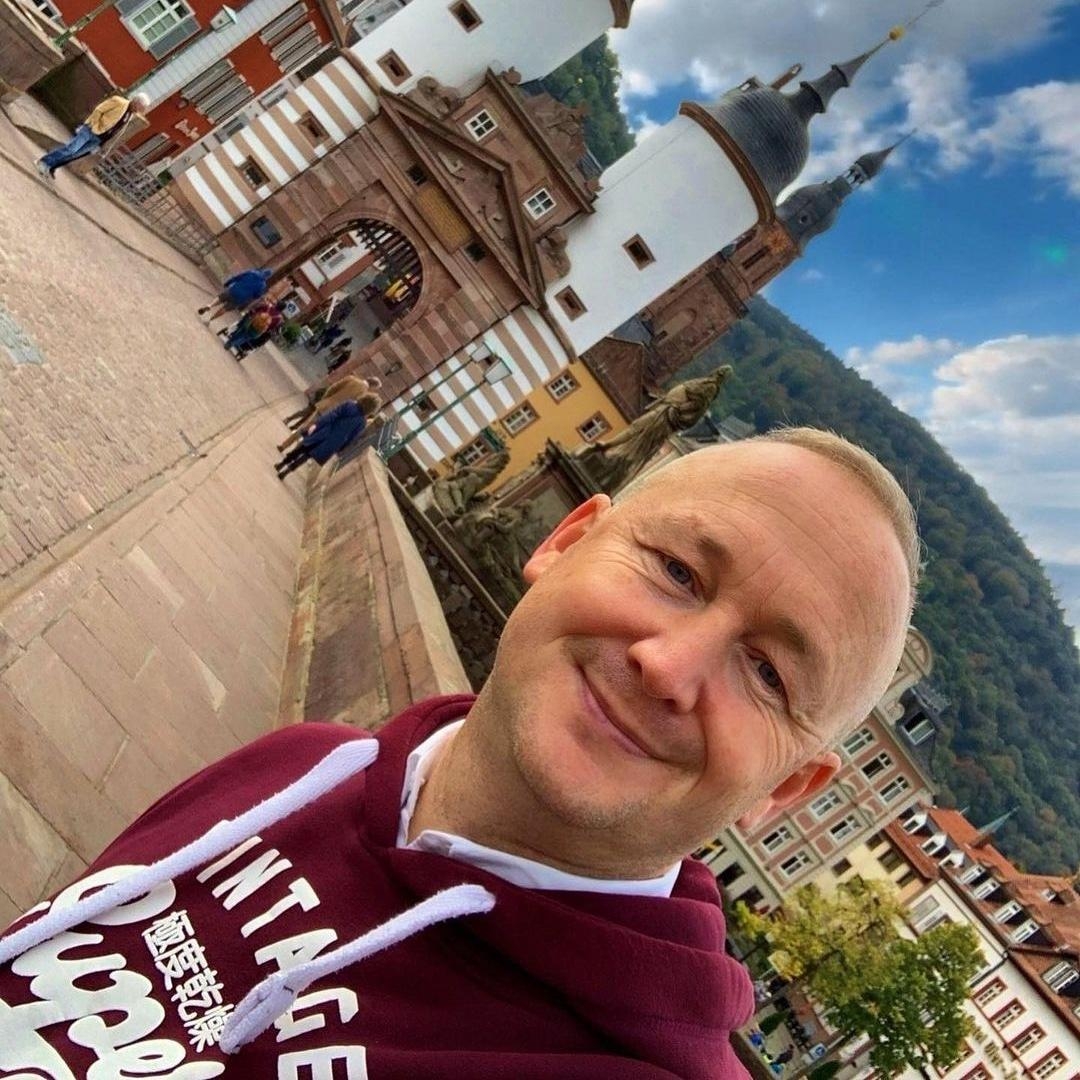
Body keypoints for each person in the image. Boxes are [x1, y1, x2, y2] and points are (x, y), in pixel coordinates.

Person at [0, 427, 917, 1077]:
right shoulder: (304, 763)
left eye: (766, 673)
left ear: (784, 788)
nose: (668, 667)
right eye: (676, 571)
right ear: (565, 541)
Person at [36, 92, 150, 179]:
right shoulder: (119, 102)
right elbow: (99, 110)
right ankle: (43, 162)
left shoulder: (130, 115)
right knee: (71, 149)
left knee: (73, 155)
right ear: (136, 102)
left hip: (98, 140)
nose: (140, 111)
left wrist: (103, 146)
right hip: (91, 130)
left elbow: (116, 131)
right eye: (140, 108)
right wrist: (93, 125)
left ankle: (50, 166)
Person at [273, 393, 381, 478]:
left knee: (302, 447)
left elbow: (331, 415)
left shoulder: (349, 405)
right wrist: (339, 449)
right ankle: (286, 472)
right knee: (307, 457)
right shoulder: (362, 423)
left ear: (364, 398)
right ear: (371, 409)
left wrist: (317, 424)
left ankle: (282, 464)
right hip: (333, 443)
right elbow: (351, 439)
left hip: (324, 431)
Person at [198, 268, 274, 321]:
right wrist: (249, 297)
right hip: (240, 298)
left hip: (234, 289)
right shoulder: (262, 285)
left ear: (263, 271)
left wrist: (228, 282)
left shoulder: (252, 272)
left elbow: (238, 277)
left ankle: (210, 305)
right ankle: (209, 320)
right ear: (268, 277)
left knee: (220, 298)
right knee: (225, 309)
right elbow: (257, 296)